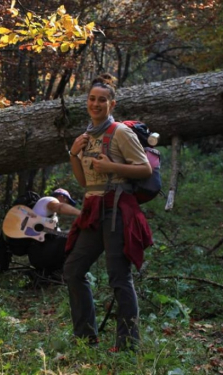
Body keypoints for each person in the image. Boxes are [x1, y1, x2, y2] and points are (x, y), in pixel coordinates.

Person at [64, 73, 154, 351]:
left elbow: (145, 169)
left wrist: (112, 167)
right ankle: (85, 337)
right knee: (73, 270)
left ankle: (127, 345)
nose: (96, 103)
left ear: (111, 104)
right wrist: (72, 154)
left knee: (118, 276)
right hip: (93, 210)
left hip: (115, 209)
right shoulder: (86, 136)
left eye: (102, 100)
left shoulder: (121, 133)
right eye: (92, 99)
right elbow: (83, 182)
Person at [0, 188, 81, 274]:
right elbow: (60, 207)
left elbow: (57, 238)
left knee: (68, 237)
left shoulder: (52, 219)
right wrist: (81, 214)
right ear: (62, 197)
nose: (68, 204)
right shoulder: (49, 200)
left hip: (36, 256)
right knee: (70, 237)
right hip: (37, 253)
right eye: (68, 202)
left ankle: (54, 274)